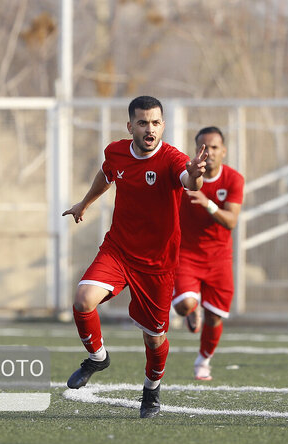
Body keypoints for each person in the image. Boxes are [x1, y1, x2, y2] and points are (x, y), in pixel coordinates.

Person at [62, 95, 207, 418]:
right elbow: (107, 173)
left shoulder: (172, 160)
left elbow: (189, 180)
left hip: (157, 264)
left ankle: (151, 391)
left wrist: (195, 173)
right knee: (83, 298)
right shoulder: (116, 151)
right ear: (130, 127)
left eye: (155, 123)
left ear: (163, 126)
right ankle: (98, 358)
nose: (149, 129)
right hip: (119, 250)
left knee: (154, 339)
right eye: (142, 123)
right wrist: (85, 203)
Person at [171, 127, 244, 381]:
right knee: (183, 306)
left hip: (219, 259)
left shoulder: (233, 179)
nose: (209, 153)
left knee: (215, 317)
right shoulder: (185, 178)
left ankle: (203, 360)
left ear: (223, 151)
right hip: (187, 255)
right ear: (196, 151)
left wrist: (208, 203)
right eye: (204, 147)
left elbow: (231, 221)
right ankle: (192, 311)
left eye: (214, 147)